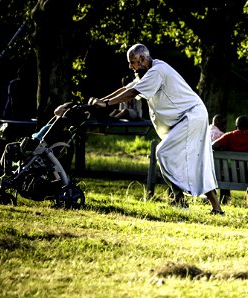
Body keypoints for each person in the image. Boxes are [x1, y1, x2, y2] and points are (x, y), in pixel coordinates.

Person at [88, 43, 224, 215]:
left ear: (143, 59)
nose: (131, 66)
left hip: (192, 117)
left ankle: (179, 200)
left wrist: (106, 104)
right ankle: (214, 208)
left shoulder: (156, 71)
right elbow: (127, 88)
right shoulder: (149, 70)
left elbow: (132, 93)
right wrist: (101, 100)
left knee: (163, 153)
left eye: (133, 62)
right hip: (187, 117)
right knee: (195, 161)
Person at [0, 102, 75, 183]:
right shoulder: (55, 123)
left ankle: (6, 174)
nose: (59, 105)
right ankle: (1, 173)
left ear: (64, 110)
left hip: (36, 148)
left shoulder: (59, 125)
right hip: (34, 146)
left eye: (62, 105)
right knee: (11, 147)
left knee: (10, 147)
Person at [208, 114, 230, 204]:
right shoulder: (220, 135)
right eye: (223, 123)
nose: (225, 126)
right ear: (217, 122)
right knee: (226, 173)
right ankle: (224, 200)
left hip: (206, 170)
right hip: (219, 172)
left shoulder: (205, 131)